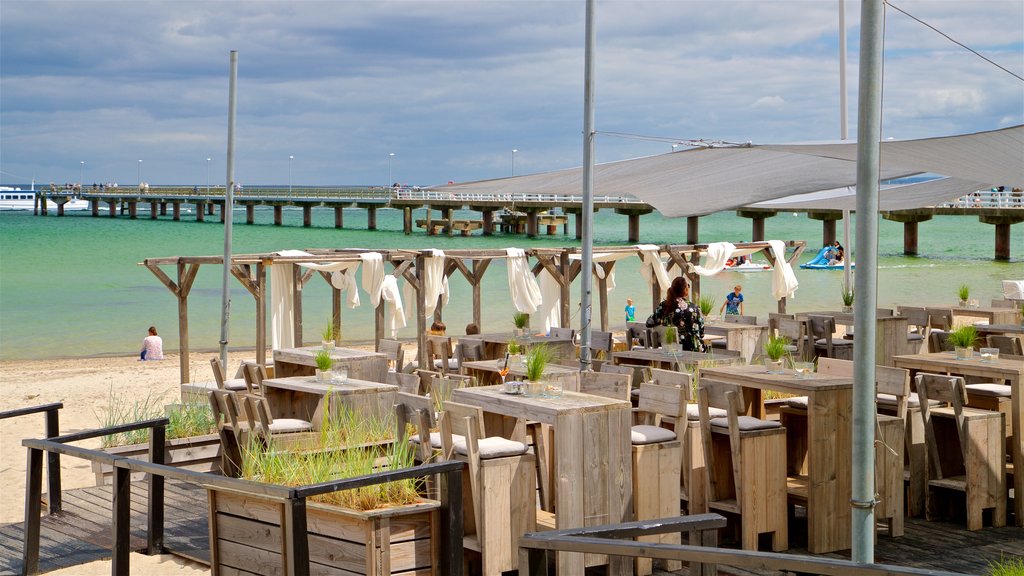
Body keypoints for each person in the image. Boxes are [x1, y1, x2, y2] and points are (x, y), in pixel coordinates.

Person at [646, 276, 705, 352]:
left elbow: (649, 323)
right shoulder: (695, 308)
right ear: (685, 289)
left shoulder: (664, 306)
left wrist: (662, 322)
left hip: (671, 351)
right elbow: (702, 333)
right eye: (688, 286)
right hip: (693, 351)